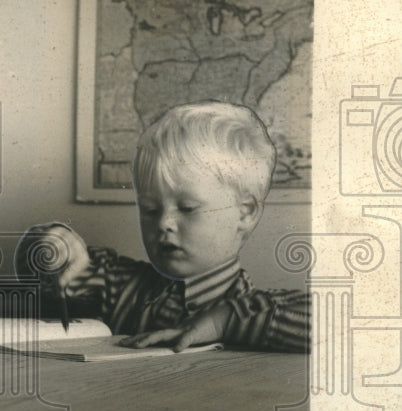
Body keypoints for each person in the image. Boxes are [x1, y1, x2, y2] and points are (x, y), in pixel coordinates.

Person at [16, 101, 309, 352]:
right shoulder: (119, 286)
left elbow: (342, 321)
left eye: (187, 208)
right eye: (150, 209)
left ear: (244, 214)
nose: (164, 223)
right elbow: (56, 275)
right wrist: (52, 245)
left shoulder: (251, 307)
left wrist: (223, 321)